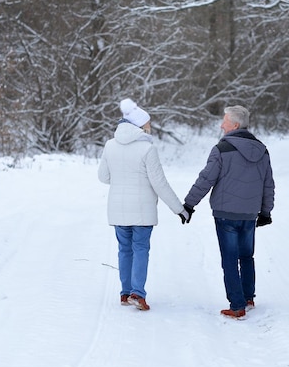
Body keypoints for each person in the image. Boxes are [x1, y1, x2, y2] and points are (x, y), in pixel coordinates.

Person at [183, 105, 275, 319]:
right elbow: (268, 184)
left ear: (234, 125)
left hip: (225, 214)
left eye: (224, 120)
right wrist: (265, 212)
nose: (221, 124)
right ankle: (248, 297)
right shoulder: (262, 150)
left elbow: (206, 179)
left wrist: (188, 204)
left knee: (230, 259)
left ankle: (237, 305)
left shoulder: (222, 149)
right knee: (246, 256)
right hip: (250, 214)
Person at [98, 98, 189, 311]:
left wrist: (121, 179)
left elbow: (103, 177)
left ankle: (125, 292)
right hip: (142, 210)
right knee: (140, 249)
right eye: (147, 123)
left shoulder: (110, 145)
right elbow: (160, 184)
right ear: (140, 126)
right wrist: (179, 209)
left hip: (118, 209)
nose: (150, 127)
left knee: (124, 250)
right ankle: (137, 294)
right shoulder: (147, 149)